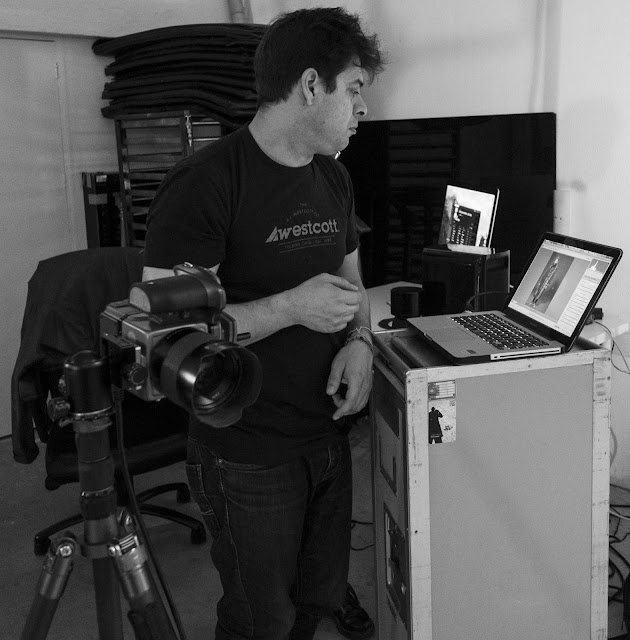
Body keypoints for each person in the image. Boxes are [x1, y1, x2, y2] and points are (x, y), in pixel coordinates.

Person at [142, 7, 385, 639]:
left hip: (326, 431)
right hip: (247, 450)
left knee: (316, 597)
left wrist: (361, 341)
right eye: (354, 89)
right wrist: (290, 307)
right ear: (311, 85)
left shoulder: (333, 176)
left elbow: (352, 280)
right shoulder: (205, 183)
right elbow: (167, 337)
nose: (363, 108)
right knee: (261, 618)